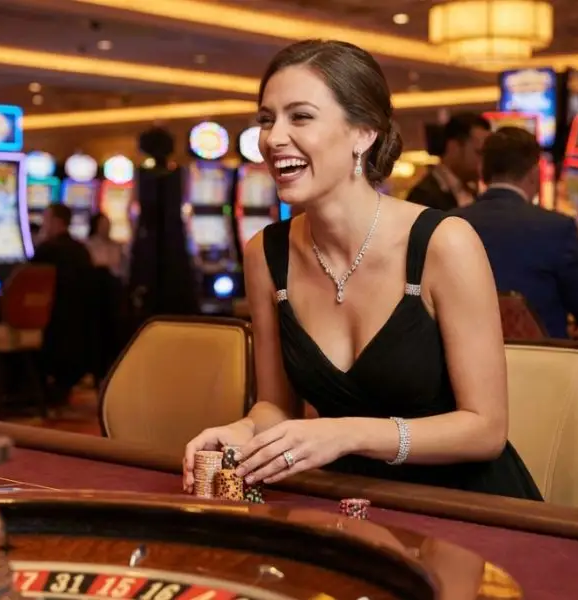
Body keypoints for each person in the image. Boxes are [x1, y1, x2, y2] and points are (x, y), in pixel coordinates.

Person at [183, 39, 541, 500]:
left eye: (301, 116)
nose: (272, 138)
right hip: (350, 499)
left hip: (465, 505)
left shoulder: (443, 243)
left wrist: (348, 433)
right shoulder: (265, 253)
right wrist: (245, 430)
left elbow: (485, 430)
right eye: (267, 120)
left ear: (363, 133)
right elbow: (276, 406)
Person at [452, 127, 578, 340]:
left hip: (465, 366)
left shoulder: (448, 223)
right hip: (539, 367)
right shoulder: (557, 228)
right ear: (535, 174)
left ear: (483, 172)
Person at [30, 204, 96, 400]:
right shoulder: (81, 250)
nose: (43, 225)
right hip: (76, 333)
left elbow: (26, 282)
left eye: (46, 220)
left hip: (50, 326)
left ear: (57, 222)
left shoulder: (47, 249)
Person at [406, 113, 491, 210]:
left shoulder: (474, 192)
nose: (485, 160)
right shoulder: (423, 196)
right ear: (454, 146)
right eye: (479, 152)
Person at [85, 213, 128, 281]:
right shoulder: (88, 245)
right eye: (103, 225)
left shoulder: (116, 246)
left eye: (107, 224)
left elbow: (122, 267)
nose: (106, 227)